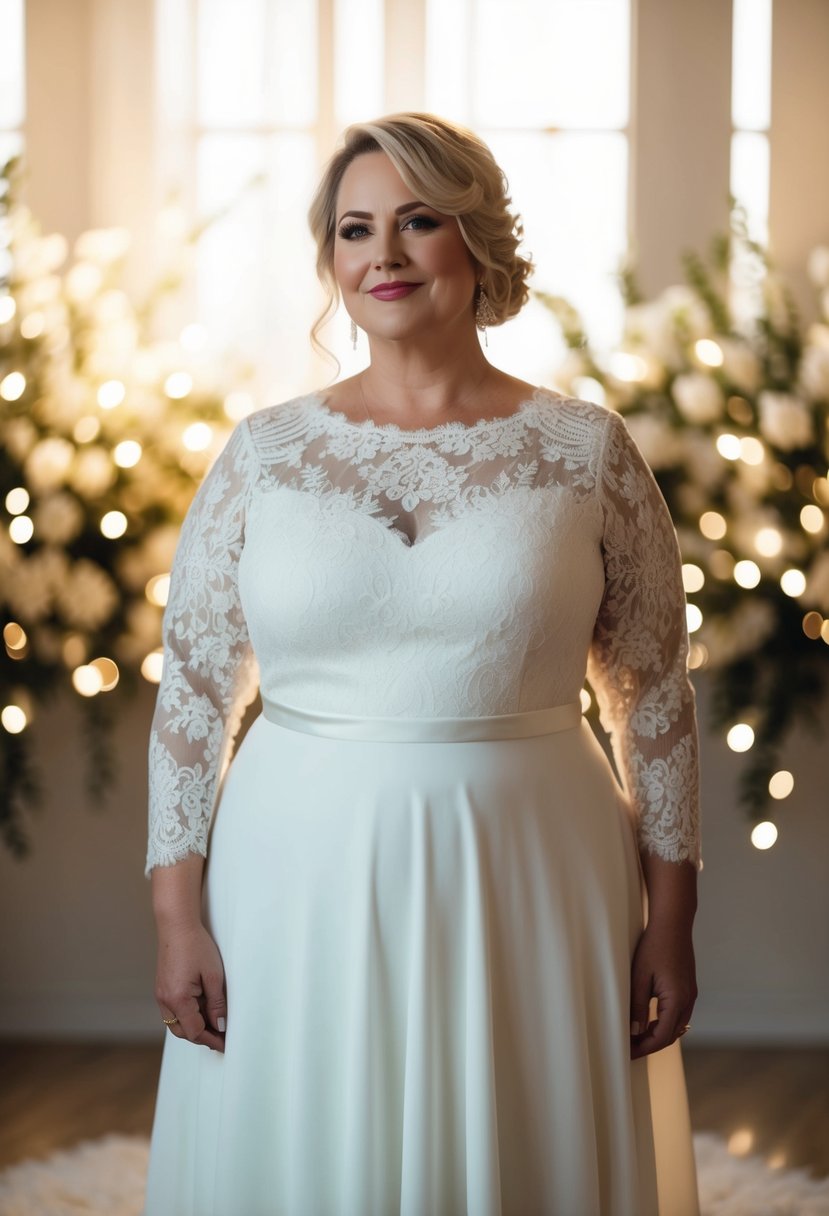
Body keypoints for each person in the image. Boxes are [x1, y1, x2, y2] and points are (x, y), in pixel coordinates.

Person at [143, 112, 702, 1215]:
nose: (383, 254)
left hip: (532, 867)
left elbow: (655, 701)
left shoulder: (586, 451)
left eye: (417, 221)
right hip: (294, 872)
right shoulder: (263, 453)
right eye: (355, 229)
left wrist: (671, 924)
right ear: (332, 262)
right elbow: (195, 697)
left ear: (477, 243)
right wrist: (176, 920)